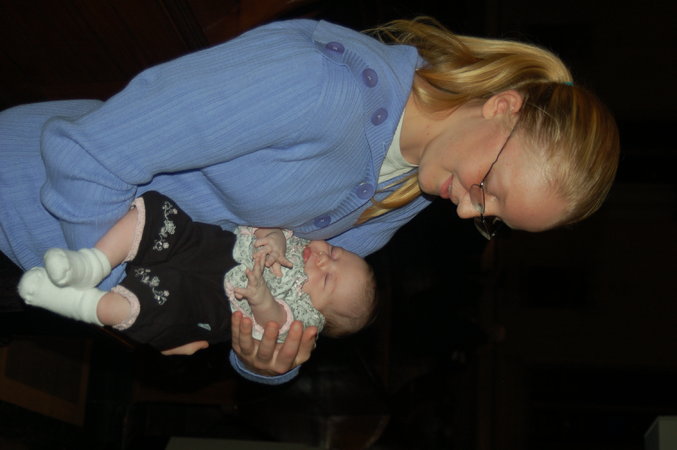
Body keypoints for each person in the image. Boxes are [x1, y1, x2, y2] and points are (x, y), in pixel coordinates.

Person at [0, 17, 620, 383]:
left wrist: (264, 358)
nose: (467, 211)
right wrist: (125, 306)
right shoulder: (319, 87)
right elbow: (86, 155)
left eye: (491, 218)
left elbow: (280, 290)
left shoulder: (406, 191)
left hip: (48, 277)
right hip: (21, 202)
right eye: (490, 190)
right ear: (503, 106)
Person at [17, 191, 376, 353]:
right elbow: (271, 227)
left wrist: (262, 299)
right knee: (159, 215)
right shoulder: (299, 244)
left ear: (316, 317)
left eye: (327, 278)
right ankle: (91, 263)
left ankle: (77, 302)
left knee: (158, 304)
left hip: (209, 304)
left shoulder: (299, 314)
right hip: (206, 247)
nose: (325, 260)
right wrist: (276, 239)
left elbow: (274, 324)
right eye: (337, 253)